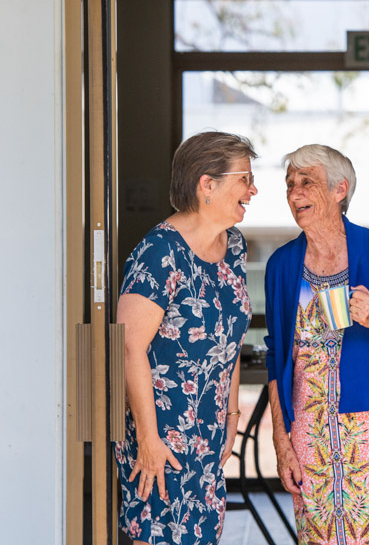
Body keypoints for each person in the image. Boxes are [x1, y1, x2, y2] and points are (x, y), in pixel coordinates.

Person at [264, 144, 369, 545]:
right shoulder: (281, 265)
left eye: (306, 182)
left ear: (340, 189)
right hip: (309, 434)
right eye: (289, 184)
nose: (294, 193)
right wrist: (281, 440)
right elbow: (276, 357)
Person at [113, 131, 258, 545]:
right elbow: (129, 346)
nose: (253, 188)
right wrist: (148, 440)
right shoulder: (159, 253)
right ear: (206, 184)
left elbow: (228, 345)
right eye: (244, 178)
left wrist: (231, 418)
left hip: (208, 434)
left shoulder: (233, 247)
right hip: (161, 435)